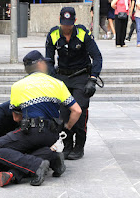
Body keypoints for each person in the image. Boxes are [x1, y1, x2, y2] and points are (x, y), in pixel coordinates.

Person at [0, 51, 82, 192]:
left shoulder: (19, 86)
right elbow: (77, 111)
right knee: (28, 153)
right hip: (52, 135)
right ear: (40, 64)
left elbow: (16, 118)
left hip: (31, 131)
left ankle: (35, 165)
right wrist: (67, 127)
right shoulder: (58, 83)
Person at [45, 7, 103, 160]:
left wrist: (93, 78)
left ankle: (79, 146)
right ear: (60, 21)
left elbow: (97, 57)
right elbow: (49, 60)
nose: (67, 27)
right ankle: (67, 144)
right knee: (63, 113)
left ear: (75, 21)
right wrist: (52, 78)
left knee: (80, 111)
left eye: (70, 24)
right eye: (64, 24)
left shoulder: (83, 33)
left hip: (81, 76)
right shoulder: (53, 34)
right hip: (62, 77)